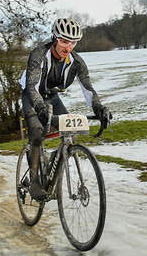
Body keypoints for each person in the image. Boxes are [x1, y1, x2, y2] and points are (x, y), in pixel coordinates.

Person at [20, 18, 111, 200]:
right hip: (32, 95)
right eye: (64, 41)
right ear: (55, 38)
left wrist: (99, 108)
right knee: (37, 131)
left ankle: (56, 158)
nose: (68, 47)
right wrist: (40, 109)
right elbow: (32, 87)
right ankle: (35, 181)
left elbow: (88, 90)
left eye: (73, 42)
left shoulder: (77, 62)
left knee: (71, 131)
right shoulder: (39, 54)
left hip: (52, 97)